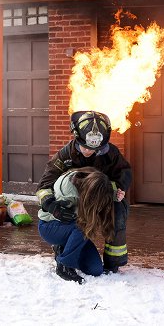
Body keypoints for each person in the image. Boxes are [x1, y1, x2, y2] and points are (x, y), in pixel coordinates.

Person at [37, 110, 132, 274]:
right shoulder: (65, 155)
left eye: (94, 148)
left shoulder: (110, 153)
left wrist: (119, 189)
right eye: (85, 147)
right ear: (76, 137)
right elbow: (44, 186)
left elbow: (124, 173)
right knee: (79, 228)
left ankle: (113, 263)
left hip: (103, 198)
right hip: (75, 206)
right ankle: (64, 246)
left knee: (118, 212)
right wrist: (51, 206)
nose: (89, 151)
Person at [38, 167, 115, 283]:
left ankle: (63, 249)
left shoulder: (93, 180)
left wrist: (117, 194)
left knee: (96, 269)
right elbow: (80, 220)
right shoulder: (69, 191)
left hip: (73, 230)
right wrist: (53, 207)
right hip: (50, 226)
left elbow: (104, 190)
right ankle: (64, 266)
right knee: (83, 227)